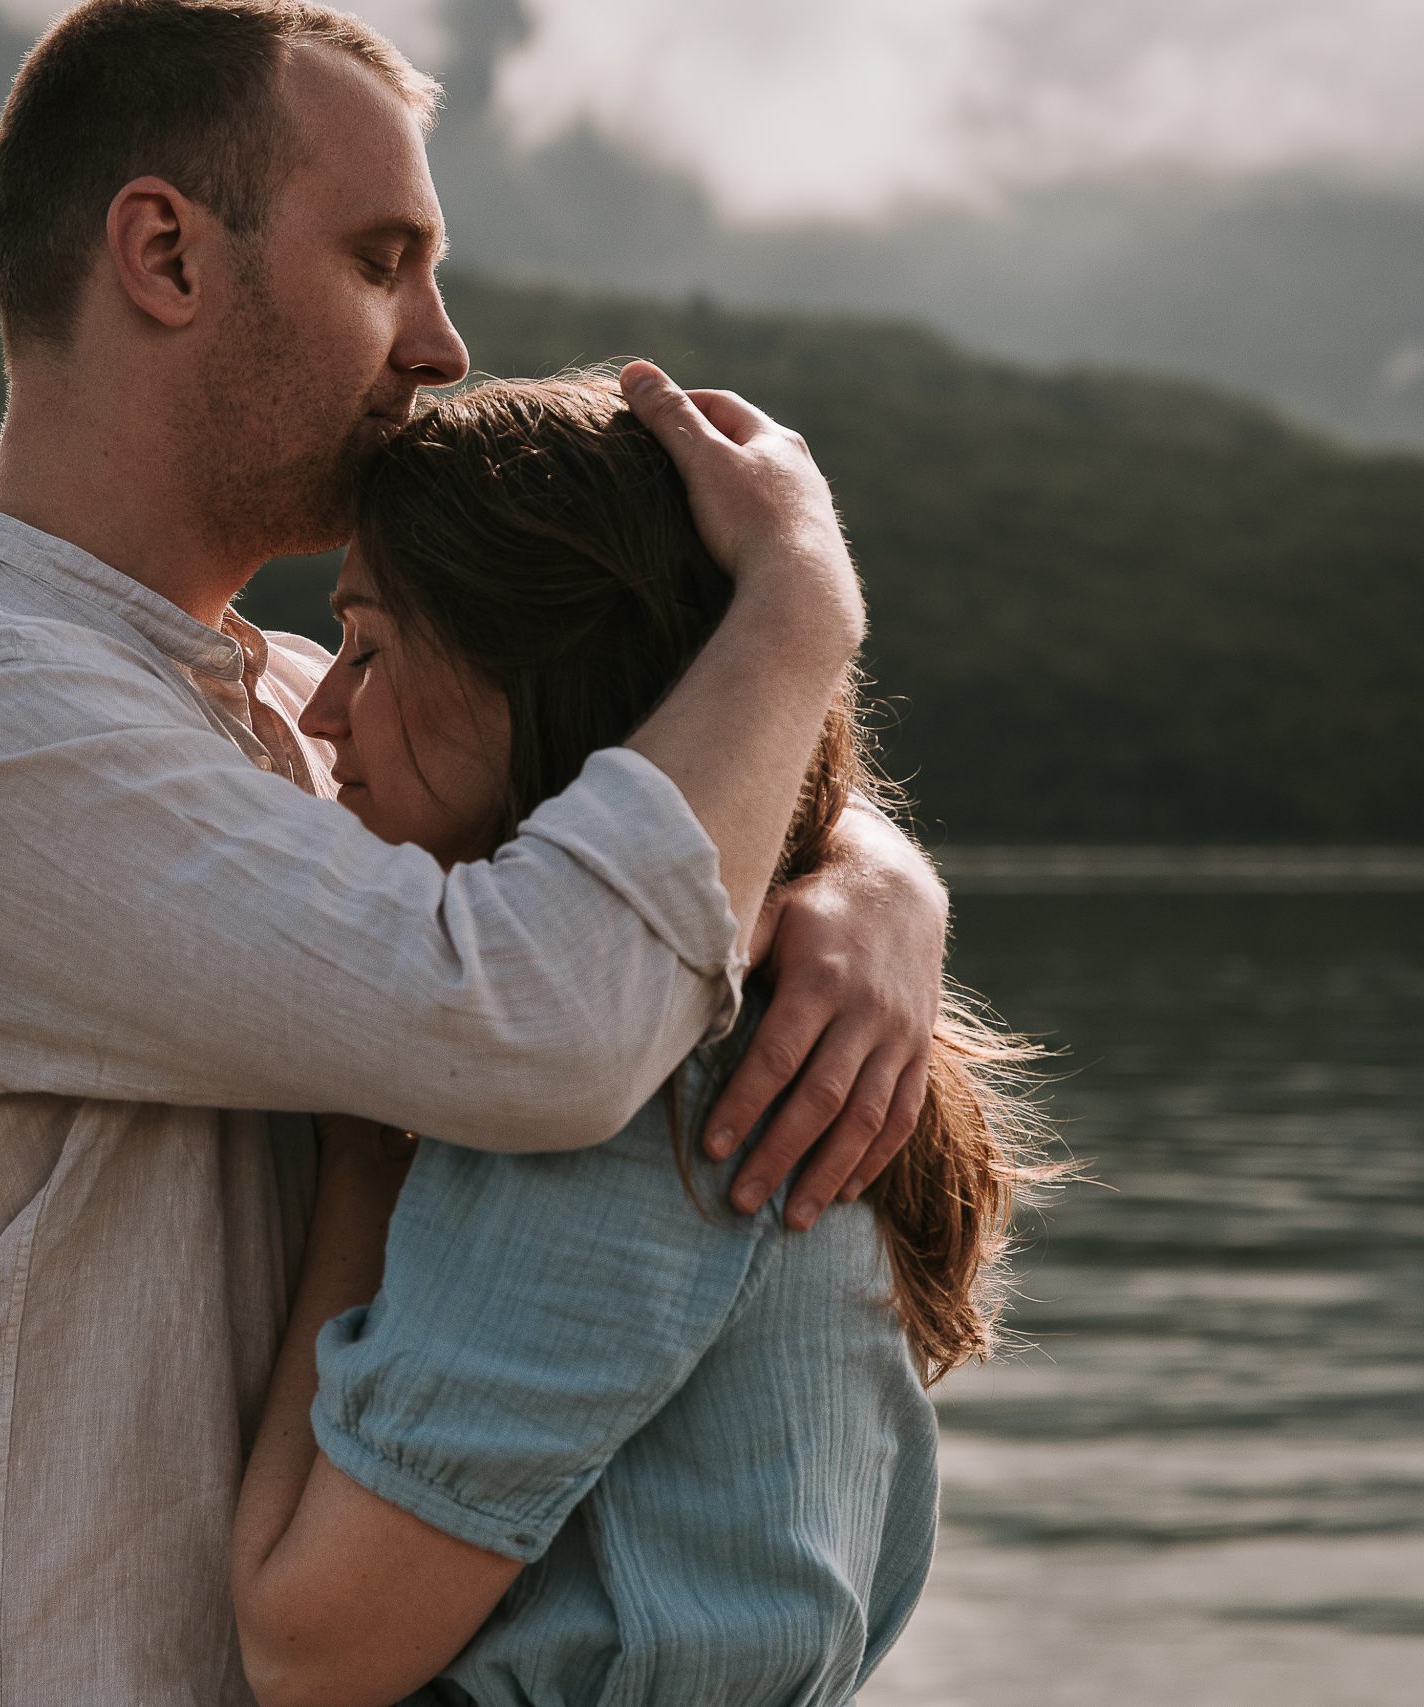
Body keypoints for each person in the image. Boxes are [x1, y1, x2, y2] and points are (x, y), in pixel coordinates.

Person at [0, 4, 953, 1703]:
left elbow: (610, 828)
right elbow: (540, 1020)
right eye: (383, 260)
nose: (442, 344)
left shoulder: (306, 708)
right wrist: (806, 606)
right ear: (164, 252)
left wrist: (870, 880)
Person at [231, 375, 1061, 1707]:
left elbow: (305, 1647)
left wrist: (356, 1147)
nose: (325, 716)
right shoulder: (751, 1013)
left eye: (371, 648)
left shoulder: (637, 1089)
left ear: (536, 681)